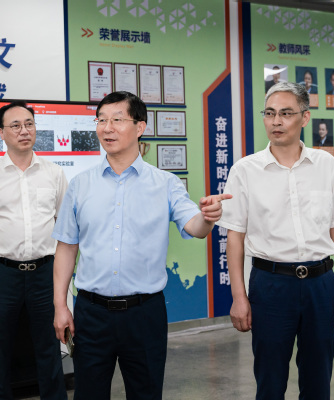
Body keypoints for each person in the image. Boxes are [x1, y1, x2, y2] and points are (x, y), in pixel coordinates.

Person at [52, 91, 231, 400]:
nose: (107, 128)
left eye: (117, 120)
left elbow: (195, 227)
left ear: (140, 127)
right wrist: (60, 306)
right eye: (101, 120)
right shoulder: (80, 185)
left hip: (144, 314)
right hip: (91, 314)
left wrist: (208, 217)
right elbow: (67, 247)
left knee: (146, 393)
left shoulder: (166, 183)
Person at [218, 82, 334, 400]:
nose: (276, 121)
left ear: (305, 117)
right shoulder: (245, 170)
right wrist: (239, 297)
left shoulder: (327, 166)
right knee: (270, 380)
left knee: (318, 379)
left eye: (286, 113)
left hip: (321, 284)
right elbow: (235, 238)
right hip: (270, 285)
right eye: (270, 113)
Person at [0, 100, 68, 400]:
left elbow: (64, 227)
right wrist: (1, 251)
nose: (24, 131)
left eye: (29, 124)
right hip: (3, 274)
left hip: (45, 273)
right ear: (2, 133)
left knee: (50, 346)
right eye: (16, 126)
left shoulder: (54, 173)